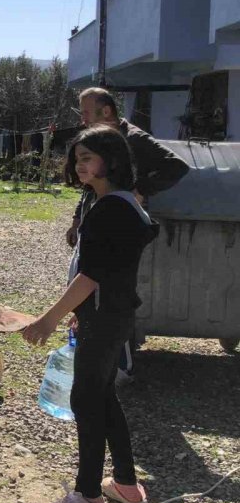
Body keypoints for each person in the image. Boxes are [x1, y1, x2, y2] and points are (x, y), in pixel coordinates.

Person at [23, 126, 158, 503]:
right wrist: (80, 312)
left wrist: (48, 318)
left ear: (111, 161)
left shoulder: (111, 209)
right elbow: (107, 272)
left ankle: (87, 497)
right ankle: (127, 485)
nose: (79, 165)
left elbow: (91, 275)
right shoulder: (124, 203)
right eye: (76, 158)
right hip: (112, 315)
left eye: (87, 158)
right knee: (103, 396)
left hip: (104, 318)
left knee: (86, 400)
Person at [67, 87, 188, 380]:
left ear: (106, 111)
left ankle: (120, 364)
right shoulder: (98, 140)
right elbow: (89, 184)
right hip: (97, 218)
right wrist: (77, 219)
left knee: (111, 292)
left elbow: (176, 166)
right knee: (87, 285)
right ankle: (93, 351)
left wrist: (139, 190)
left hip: (119, 223)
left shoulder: (134, 138)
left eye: (86, 113)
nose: (83, 120)